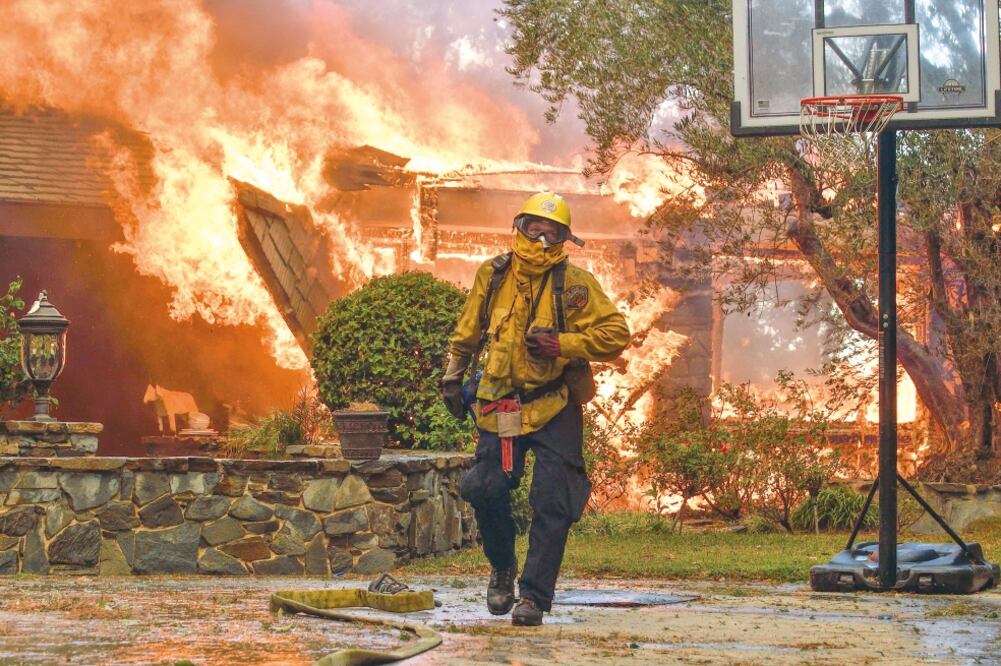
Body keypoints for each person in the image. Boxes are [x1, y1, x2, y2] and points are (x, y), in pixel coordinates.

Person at [441, 192, 630, 626]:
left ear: (566, 238)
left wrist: (561, 343)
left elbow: (616, 333)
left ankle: (533, 597)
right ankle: (502, 568)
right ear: (519, 227)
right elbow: (468, 332)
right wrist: (452, 377)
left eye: (555, 232)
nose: (543, 239)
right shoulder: (492, 275)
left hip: (553, 404)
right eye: (535, 229)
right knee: (485, 487)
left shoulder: (575, 284)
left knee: (552, 501)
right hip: (501, 406)